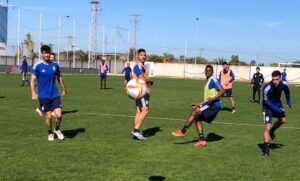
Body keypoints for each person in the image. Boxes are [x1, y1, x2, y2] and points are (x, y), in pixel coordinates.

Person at [172, 65, 225, 147]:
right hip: (209, 104)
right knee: (197, 117)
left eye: (209, 70)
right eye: (206, 70)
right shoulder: (208, 82)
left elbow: (222, 91)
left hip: (214, 105)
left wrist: (213, 98)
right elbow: (208, 99)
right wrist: (199, 104)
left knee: (195, 111)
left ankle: (183, 131)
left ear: (213, 72)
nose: (207, 72)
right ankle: (202, 140)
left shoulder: (213, 80)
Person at [30, 45, 67, 141]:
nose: (47, 55)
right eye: (45, 53)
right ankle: (50, 133)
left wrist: (63, 88)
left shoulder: (55, 65)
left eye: (48, 53)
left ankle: (57, 130)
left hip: (54, 94)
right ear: (42, 53)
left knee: (59, 115)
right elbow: (32, 80)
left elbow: (59, 77)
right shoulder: (38, 66)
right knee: (49, 116)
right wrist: (33, 93)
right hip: (43, 96)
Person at [262, 70, 291, 156]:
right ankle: (266, 150)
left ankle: (273, 131)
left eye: (277, 79)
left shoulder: (284, 84)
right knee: (267, 127)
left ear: (280, 78)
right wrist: (277, 110)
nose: (274, 81)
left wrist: (288, 101)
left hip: (277, 104)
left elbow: (287, 92)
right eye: (273, 79)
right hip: (267, 107)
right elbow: (266, 102)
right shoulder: (266, 88)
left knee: (283, 121)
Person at [131, 48, 152, 140]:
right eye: (141, 55)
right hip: (142, 92)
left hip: (139, 91)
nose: (143, 56)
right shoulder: (138, 66)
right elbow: (141, 78)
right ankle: (136, 130)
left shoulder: (142, 66)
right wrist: (149, 81)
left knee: (139, 111)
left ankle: (136, 132)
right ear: (137, 56)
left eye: (144, 55)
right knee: (145, 111)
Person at [35, 53, 57, 117]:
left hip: (51, 85)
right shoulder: (40, 65)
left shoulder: (54, 65)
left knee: (50, 97)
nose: (52, 58)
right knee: (46, 98)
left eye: (53, 57)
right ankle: (42, 109)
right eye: (51, 57)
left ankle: (42, 109)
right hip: (44, 87)